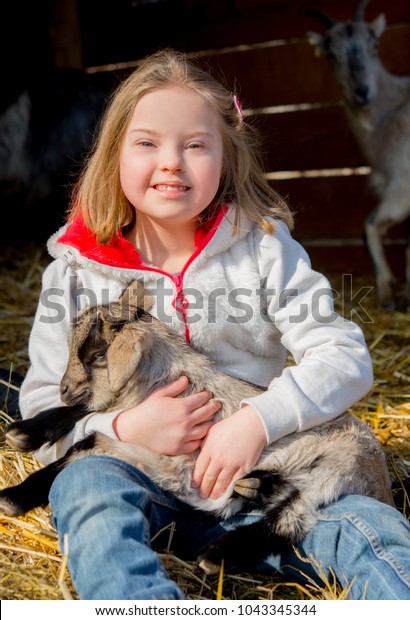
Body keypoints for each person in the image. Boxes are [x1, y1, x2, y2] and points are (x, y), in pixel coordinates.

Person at [18, 49, 410, 600]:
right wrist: (124, 430)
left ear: (226, 156)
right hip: (141, 485)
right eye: (148, 142)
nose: (172, 162)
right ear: (114, 157)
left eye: (195, 145)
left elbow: (344, 357)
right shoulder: (74, 274)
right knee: (84, 485)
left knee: (373, 528)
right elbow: (40, 411)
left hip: (266, 491)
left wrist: (255, 422)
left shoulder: (264, 250)